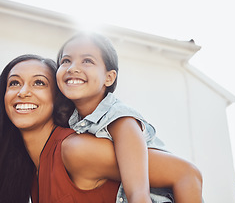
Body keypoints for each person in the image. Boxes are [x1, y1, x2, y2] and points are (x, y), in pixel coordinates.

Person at [0, 54, 203, 203]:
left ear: (58, 97)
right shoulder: (31, 175)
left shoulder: (75, 150)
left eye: (38, 82)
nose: (23, 91)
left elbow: (187, 173)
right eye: (14, 83)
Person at [56, 32, 202, 202]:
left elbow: (138, 195)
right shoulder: (71, 123)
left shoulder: (120, 119)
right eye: (66, 61)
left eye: (87, 61)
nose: (73, 67)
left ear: (109, 78)